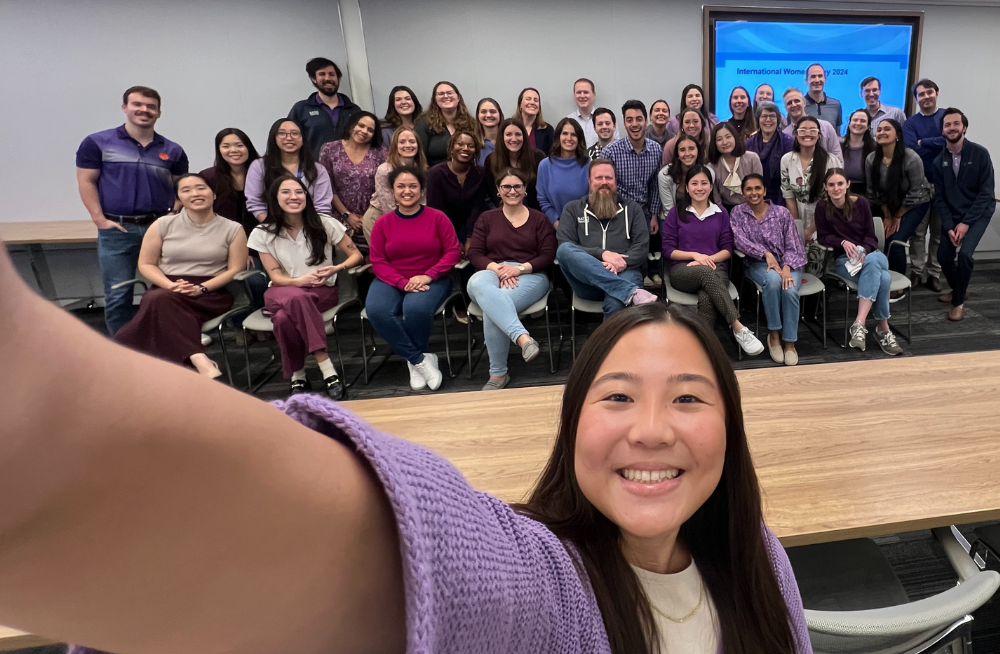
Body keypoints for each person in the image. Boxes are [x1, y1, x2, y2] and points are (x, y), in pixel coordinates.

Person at [0, 231, 820, 654]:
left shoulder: (760, 560)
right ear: (571, 430)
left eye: (687, 397)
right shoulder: (542, 583)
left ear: (731, 431)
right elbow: (378, 544)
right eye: (615, 395)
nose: (651, 428)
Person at [76, 85, 189, 335]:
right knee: (119, 292)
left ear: (159, 112)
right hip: (118, 228)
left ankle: (170, 339)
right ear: (125, 107)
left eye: (151, 107)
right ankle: (125, 349)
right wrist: (99, 219)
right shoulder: (98, 142)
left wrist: (173, 215)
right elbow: (86, 181)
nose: (144, 110)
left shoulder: (172, 150)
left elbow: (183, 187)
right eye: (137, 104)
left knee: (168, 290)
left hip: (159, 227)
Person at [114, 173, 248, 377]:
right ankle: (199, 358)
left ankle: (135, 360)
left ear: (213, 194)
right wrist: (170, 285)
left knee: (152, 303)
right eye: (186, 190)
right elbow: (146, 264)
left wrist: (201, 288)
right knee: (160, 298)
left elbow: (235, 269)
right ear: (178, 198)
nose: (195, 193)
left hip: (210, 292)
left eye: (201, 188)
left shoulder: (233, 229)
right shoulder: (162, 225)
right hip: (168, 285)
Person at [247, 175, 365, 398]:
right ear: (275, 198)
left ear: (307, 197)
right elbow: (275, 275)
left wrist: (335, 269)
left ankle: (298, 375)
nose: (294, 196)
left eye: (299, 192)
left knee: (282, 319)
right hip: (281, 290)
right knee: (296, 298)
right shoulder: (262, 232)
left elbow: (356, 256)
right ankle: (327, 368)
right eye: (286, 192)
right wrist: (298, 282)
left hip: (321, 291)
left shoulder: (325, 223)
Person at [367, 165, 462, 391]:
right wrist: (401, 282)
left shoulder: (437, 218)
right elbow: (378, 260)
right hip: (391, 280)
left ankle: (416, 358)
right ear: (392, 191)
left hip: (433, 278)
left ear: (421, 190)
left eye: (413, 186)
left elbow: (453, 251)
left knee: (415, 309)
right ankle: (419, 360)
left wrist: (429, 275)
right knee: (377, 310)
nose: (407, 191)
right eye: (401, 186)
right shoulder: (383, 223)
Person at [466, 168, 557, 390]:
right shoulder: (487, 218)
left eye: (517, 186)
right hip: (493, 271)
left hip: (531, 274)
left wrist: (519, 269)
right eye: (506, 186)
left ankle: (497, 375)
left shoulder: (538, 219)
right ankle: (523, 338)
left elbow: (548, 254)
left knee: (493, 306)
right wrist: (498, 269)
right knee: (477, 283)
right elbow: (475, 253)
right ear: (498, 190)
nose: (512, 191)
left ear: (525, 189)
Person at [662, 165, 765, 357]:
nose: (699, 188)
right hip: (683, 271)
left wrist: (706, 259)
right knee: (705, 273)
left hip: (715, 267)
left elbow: (727, 249)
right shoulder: (676, 213)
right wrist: (695, 256)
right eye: (694, 183)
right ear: (687, 187)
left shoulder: (721, 213)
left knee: (707, 297)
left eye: (704, 183)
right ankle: (738, 326)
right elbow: (668, 250)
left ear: (711, 187)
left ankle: (702, 350)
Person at [814, 169, 903, 355]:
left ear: (847, 185)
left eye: (840, 184)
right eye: (831, 185)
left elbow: (871, 237)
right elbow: (822, 237)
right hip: (845, 262)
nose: (836, 188)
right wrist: (842, 242)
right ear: (825, 187)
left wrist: (863, 251)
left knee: (872, 262)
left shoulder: (861, 203)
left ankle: (859, 323)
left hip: (872, 254)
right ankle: (883, 329)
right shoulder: (822, 207)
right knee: (883, 279)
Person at [556, 159, 657, 319]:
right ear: (589, 181)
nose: (604, 182)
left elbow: (641, 248)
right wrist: (602, 255)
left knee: (616, 303)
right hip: (587, 282)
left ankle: (608, 345)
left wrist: (615, 265)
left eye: (609, 178)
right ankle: (631, 292)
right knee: (564, 250)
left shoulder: (633, 209)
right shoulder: (573, 209)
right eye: (598, 178)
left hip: (625, 272)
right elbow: (565, 245)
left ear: (615, 181)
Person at [729, 174, 807, 365]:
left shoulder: (782, 213)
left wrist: (787, 267)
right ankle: (773, 334)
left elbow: (794, 245)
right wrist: (765, 254)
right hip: (758, 264)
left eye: (757, 188)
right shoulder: (738, 213)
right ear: (743, 192)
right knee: (772, 281)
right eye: (749, 189)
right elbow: (739, 241)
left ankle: (789, 342)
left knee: (789, 290)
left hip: (789, 262)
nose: (753, 193)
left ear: (764, 191)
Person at [932, 108, 996, 322]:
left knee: (966, 255)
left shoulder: (980, 154)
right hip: (953, 215)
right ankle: (959, 288)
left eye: (956, 123)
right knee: (943, 256)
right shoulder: (938, 161)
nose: (952, 128)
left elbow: (986, 193)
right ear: (942, 130)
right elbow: (940, 198)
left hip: (978, 214)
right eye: (947, 125)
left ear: (964, 127)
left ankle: (958, 301)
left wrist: (966, 223)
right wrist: (950, 226)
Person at [864, 119, 933, 280]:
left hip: (915, 203)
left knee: (896, 242)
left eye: (887, 129)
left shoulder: (911, 158)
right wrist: (887, 215)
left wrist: (897, 216)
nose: (882, 132)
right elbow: (872, 192)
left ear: (897, 135)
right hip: (887, 205)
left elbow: (916, 191)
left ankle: (898, 282)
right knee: (883, 240)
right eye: (879, 129)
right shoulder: (871, 159)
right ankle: (883, 278)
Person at [600, 100, 664, 272]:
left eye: (639, 119)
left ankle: (641, 288)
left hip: (644, 212)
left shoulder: (656, 150)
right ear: (624, 123)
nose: (634, 124)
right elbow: (604, 188)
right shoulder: (610, 151)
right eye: (629, 120)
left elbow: (654, 186)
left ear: (646, 121)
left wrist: (654, 215)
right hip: (617, 211)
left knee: (640, 255)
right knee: (620, 257)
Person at [903, 79, 945, 292]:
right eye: (921, 94)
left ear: (936, 93)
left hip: (945, 186)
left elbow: (951, 141)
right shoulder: (910, 123)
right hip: (919, 185)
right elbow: (911, 151)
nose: (926, 97)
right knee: (918, 233)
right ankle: (917, 272)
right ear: (916, 98)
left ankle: (934, 274)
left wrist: (924, 142)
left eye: (930, 92)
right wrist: (936, 143)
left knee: (938, 233)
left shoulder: (947, 116)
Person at [318, 111, 386, 244]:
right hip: (339, 218)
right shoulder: (329, 149)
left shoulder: (381, 153)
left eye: (370, 130)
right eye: (360, 125)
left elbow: (384, 188)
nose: (364, 131)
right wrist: (347, 215)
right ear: (351, 125)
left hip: (372, 218)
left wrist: (368, 217)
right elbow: (327, 187)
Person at [245, 118, 333, 220]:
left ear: (303, 139)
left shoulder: (317, 169)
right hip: (272, 227)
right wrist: (273, 228)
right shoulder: (259, 166)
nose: (289, 138)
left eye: (295, 133)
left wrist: (311, 229)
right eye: (282, 133)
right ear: (273, 138)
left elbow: (323, 206)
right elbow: (255, 202)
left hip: (311, 227)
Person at [363, 126, 427, 244]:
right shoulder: (385, 170)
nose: (408, 145)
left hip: (410, 217)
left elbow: (422, 201)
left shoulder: (422, 169)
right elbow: (388, 206)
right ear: (395, 146)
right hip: (380, 217)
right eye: (402, 142)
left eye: (412, 141)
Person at [288, 57, 361, 159]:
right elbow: (290, 141)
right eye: (322, 74)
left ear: (338, 78)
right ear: (313, 79)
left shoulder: (353, 110)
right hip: (314, 171)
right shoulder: (301, 109)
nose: (328, 78)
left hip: (348, 172)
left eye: (332, 74)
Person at [425, 130, 488, 246]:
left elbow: (477, 207)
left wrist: (470, 237)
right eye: (460, 144)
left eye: (471, 146)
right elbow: (436, 210)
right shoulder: (436, 173)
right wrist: (453, 240)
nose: (465, 148)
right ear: (451, 148)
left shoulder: (480, 173)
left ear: (475, 151)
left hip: (471, 227)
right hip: (442, 227)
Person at [780, 116, 838, 240]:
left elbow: (833, 198)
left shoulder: (831, 161)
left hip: (825, 217)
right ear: (796, 133)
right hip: (798, 214)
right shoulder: (787, 160)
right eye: (803, 130)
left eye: (812, 130)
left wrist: (811, 230)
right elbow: (789, 196)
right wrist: (797, 228)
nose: (808, 134)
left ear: (819, 135)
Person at [199, 128, 261, 238]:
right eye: (226, 146)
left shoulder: (263, 174)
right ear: (219, 150)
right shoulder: (208, 176)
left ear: (248, 147)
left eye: (239, 145)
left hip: (260, 239)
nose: (233, 150)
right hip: (220, 239)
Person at [483, 118, 545, 211]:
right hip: (502, 213)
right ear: (501, 137)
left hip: (535, 213)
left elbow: (543, 193)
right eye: (508, 134)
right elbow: (491, 194)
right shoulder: (491, 160)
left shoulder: (538, 157)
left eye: (518, 134)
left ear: (524, 136)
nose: (514, 139)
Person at [536, 118, 590, 226]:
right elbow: (543, 200)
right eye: (565, 133)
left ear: (579, 138)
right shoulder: (545, 165)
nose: (569, 138)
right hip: (553, 227)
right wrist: (557, 223)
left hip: (584, 227)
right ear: (558, 137)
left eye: (574, 134)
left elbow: (592, 199)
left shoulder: (588, 165)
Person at [414, 81, 478, 168]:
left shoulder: (471, 123)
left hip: (467, 175)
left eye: (449, 93)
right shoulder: (423, 124)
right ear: (435, 100)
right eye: (441, 94)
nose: (446, 96)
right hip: (433, 176)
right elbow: (419, 157)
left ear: (458, 97)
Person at [746, 101, 794, 207]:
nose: (768, 120)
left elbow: (789, 178)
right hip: (754, 198)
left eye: (772, 116)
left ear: (778, 119)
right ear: (758, 119)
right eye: (764, 116)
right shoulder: (750, 143)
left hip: (781, 198)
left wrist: (780, 206)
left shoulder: (787, 142)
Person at [706, 122, 762, 211]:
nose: (725, 142)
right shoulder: (711, 167)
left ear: (735, 137)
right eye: (719, 139)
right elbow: (716, 199)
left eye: (728, 137)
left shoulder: (752, 158)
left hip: (753, 207)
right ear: (714, 143)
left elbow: (759, 188)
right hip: (725, 210)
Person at [782, 88, 843, 163]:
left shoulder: (826, 127)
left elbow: (837, 158)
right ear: (785, 108)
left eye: (797, 101)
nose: (793, 105)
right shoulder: (784, 135)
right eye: (789, 103)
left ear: (804, 103)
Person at [658, 134, 712, 217]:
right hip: (672, 218)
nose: (687, 153)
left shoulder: (709, 173)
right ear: (677, 155)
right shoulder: (665, 175)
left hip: (700, 217)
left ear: (698, 152)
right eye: (682, 150)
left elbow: (708, 204)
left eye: (691, 149)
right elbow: (668, 210)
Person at [567, 77, 618, 148]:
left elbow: (616, 145)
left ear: (594, 94)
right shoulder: (568, 121)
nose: (582, 96)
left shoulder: (607, 120)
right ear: (574, 95)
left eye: (586, 92)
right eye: (578, 92)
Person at [841, 110, 876, 197]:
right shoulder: (838, 146)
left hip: (865, 197)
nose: (858, 123)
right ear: (849, 124)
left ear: (868, 126)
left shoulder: (874, 149)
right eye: (855, 120)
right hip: (839, 194)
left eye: (863, 121)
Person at [803, 64, 842, 135]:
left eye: (820, 76)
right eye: (813, 76)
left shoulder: (836, 105)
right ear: (806, 81)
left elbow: (837, 136)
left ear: (825, 79)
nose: (817, 80)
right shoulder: (798, 106)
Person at [474, 97, 504, 165]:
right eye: (483, 112)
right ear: (478, 115)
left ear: (500, 114)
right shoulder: (473, 143)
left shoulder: (509, 140)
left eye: (493, 111)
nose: (488, 115)